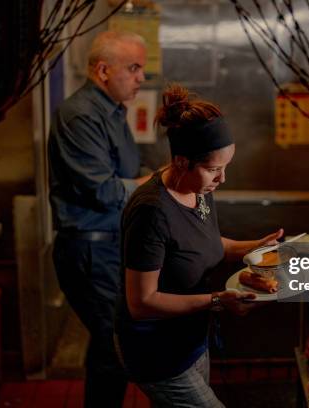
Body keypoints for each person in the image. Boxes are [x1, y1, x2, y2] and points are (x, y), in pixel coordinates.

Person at [115, 84, 284, 407]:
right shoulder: (151, 211)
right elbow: (142, 302)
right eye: (213, 169)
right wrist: (218, 301)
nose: (222, 179)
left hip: (192, 338)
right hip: (156, 351)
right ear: (181, 162)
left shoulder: (199, 190)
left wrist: (254, 247)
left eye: (226, 167)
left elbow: (199, 243)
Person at [48, 31, 149, 407]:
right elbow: (103, 191)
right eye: (134, 68)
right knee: (114, 344)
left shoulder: (113, 112)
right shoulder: (80, 115)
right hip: (89, 251)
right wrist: (155, 183)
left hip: (110, 246)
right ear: (103, 70)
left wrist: (150, 180)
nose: (141, 78)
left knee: (112, 344)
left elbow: (128, 174)